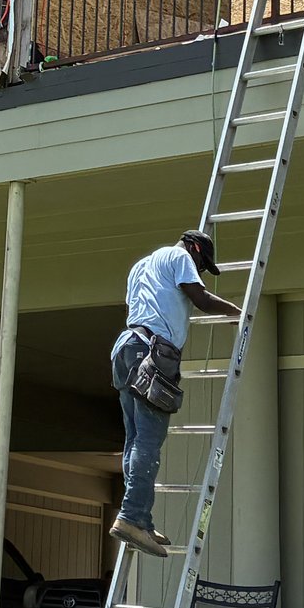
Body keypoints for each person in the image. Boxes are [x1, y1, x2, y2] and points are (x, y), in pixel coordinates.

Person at [108, 230, 240, 556]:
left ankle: (141, 518)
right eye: (202, 262)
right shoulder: (181, 256)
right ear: (194, 248)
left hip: (126, 349)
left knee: (134, 439)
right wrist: (240, 314)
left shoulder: (141, 266)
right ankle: (131, 518)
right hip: (153, 353)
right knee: (148, 443)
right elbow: (201, 298)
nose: (199, 269)